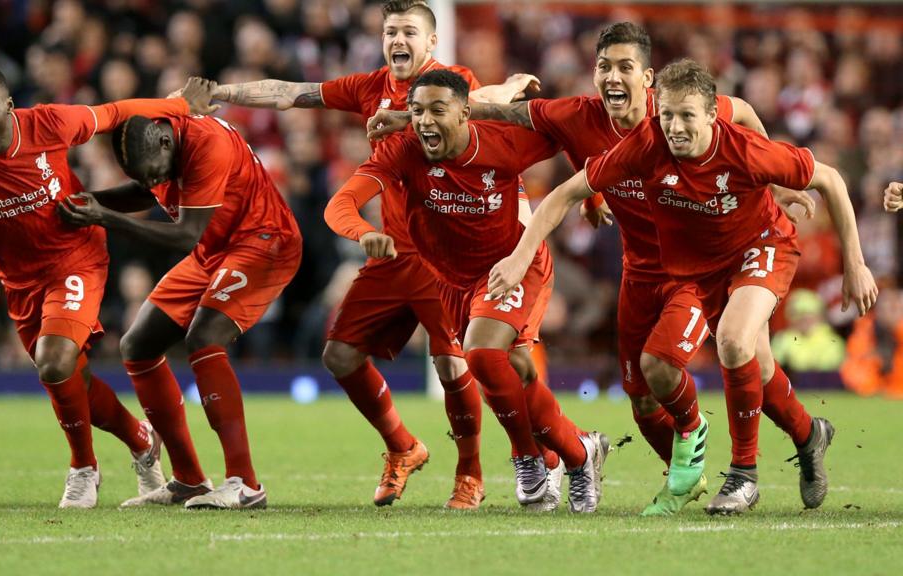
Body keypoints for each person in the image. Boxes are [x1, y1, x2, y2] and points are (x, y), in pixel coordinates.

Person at [370, 22, 814, 515]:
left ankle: (721, 462)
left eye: (625, 67)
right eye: (604, 67)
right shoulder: (579, 118)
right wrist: (411, 119)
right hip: (640, 269)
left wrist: (773, 178)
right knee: (649, 402)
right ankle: (767, 450)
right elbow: (509, 116)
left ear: (648, 79)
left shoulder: (677, 113)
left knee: (676, 363)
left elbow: (745, 113)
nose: (612, 76)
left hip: (700, 264)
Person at [489, 58, 877, 515]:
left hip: (762, 246)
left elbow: (830, 179)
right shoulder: (648, 145)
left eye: (687, 115)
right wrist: (519, 256)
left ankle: (743, 475)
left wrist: (854, 263)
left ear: (712, 115)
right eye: (668, 114)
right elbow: (563, 195)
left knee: (733, 342)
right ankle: (810, 434)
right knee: (759, 369)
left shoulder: (746, 151)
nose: (675, 125)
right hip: (702, 269)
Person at [209, 0, 545, 510]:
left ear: (431, 42)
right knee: (339, 354)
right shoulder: (368, 87)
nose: (398, 40)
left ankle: (471, 474)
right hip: (390, 250)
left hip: (442, 254)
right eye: (391, 31)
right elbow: (289, 94)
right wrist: (220, 92)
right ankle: (402, 446)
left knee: (452, 366)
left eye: (410, 31)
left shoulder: (447, 84)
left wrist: (512, 89)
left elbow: (483, 103)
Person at [0, 62, 218, 508]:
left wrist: (180, 105)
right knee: (72, 377)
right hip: (20, 282)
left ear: (8, 106)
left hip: (77, 256)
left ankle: (83, 468)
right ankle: (140, 438)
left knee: (54, 363)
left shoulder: (48, 123)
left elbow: (114, 111)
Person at [329, 68, 609, 512]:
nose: (424, 121)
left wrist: (591, 196)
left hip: (513, 266)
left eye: (437, 111)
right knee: (514, 368)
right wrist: (363, 232)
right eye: (416, 111)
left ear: (465, 113)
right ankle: (581, 453)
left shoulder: (502, 142)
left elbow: (570, 131)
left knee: (481, 354)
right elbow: (340, 203)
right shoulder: (404, 150)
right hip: (450, 281)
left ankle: (527, 456)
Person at [58, 110, 302, 510]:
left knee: (204, 336)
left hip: (262, 242)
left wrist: (104, 218)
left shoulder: (209, 144)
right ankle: (189, 480)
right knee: (137, 345)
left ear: (166, 143)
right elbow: (145, 192)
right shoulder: (160, 147)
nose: (154, 183)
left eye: (154, 173)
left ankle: (245, 483)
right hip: (216, 250)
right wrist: (88, 201)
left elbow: (186, 234)